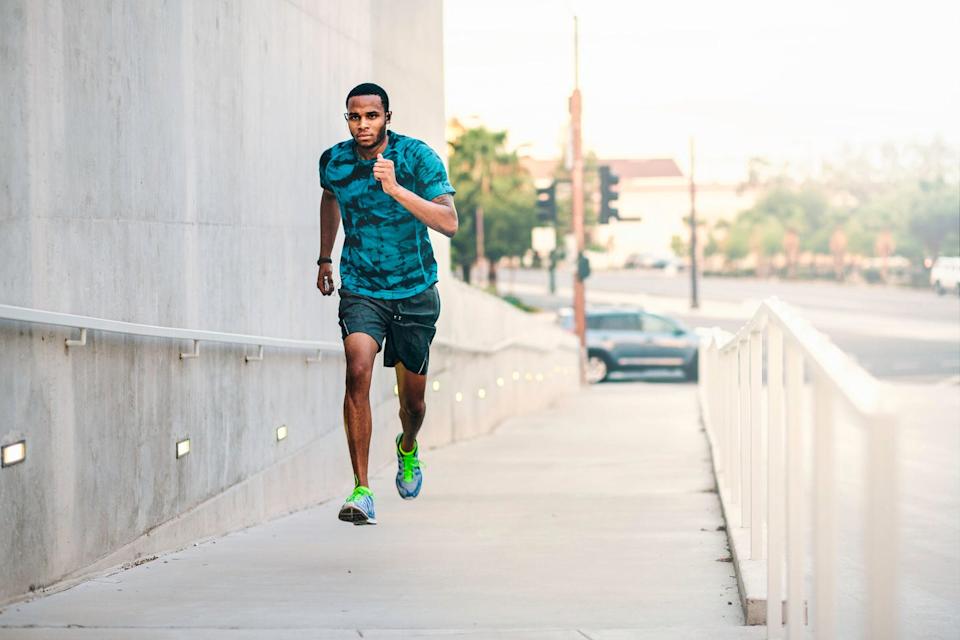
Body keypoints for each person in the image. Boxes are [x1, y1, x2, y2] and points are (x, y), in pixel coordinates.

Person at [316, 83, 458, 526]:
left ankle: (408, 447)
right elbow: (330, 196)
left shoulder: (417, 157)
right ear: (348, 119)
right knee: (356, 369)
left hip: (414, 290)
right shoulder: (334, 161)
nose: (363, 125)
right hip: (362, 286)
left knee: (412, 405)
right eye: (355, 117)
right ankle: (361, 489)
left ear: (387, 118)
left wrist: (395, 188)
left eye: (371, 117)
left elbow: (449, 222)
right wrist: (325, 256)